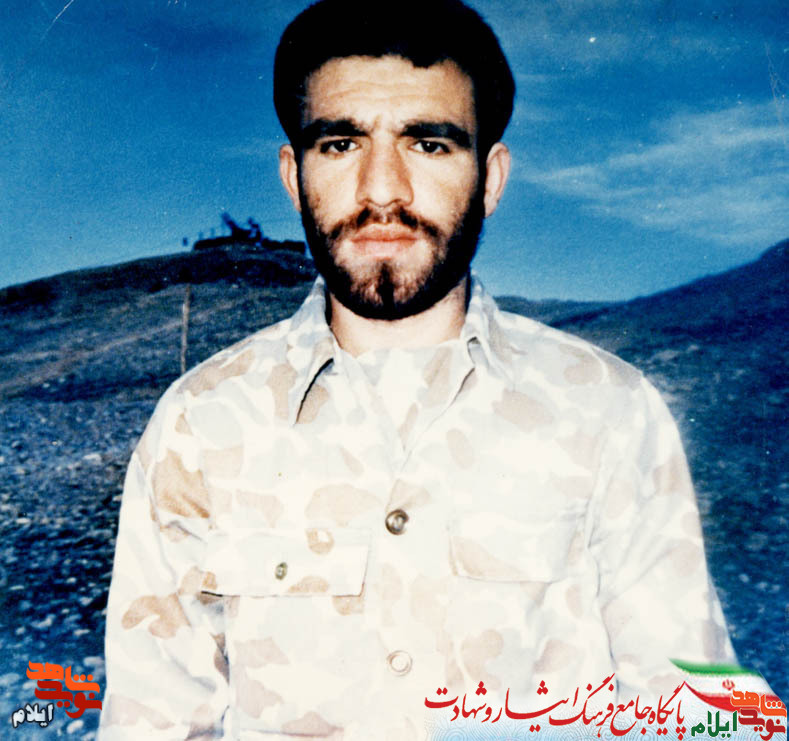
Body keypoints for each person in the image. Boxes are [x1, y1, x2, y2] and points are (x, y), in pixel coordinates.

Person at [99, 0, 735, 738]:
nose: (382, 190)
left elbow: (697, 714)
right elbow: (152, 722)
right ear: (293, 176)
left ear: (490, 178)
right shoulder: (198, 424)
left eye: (428, 144)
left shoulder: (608, 411)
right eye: (340, 143)